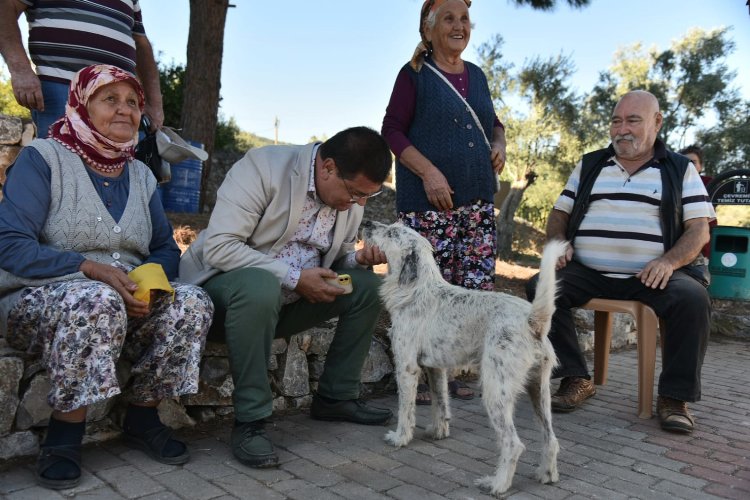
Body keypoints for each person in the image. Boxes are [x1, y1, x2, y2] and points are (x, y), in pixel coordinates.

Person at [0, 64, 213, 490]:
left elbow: (165, 248)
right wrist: (89, 268)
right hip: (41, 298)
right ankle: (65, 432)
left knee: (192, 301)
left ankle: (143, 414)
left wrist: (148, 284)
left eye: (133, 102)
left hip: (123, 297)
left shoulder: (141, 174)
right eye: (110, 99)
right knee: (94, 298)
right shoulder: (44, 158)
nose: (125, 110)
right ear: (81, 104)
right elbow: (9, 243)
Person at [179, 126, 394, 469]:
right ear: (328, 168)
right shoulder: (263, 167)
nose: (359, 204)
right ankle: (251, 422)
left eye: (368, 197)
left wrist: (358, 260)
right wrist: (294, 278)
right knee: (260, 285)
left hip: (285, 306)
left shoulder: (349, 200)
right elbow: (221, 247)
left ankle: (336, 397)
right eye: (355, 193)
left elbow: (336, 261)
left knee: (367, 286)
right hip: (224, 299)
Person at [526, 90, 715, 434]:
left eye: (633, 120)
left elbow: (698, 230)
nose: (621, 129)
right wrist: (559, 241)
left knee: (692, 299)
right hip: (590, 271)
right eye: (616, 120)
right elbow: (559, 213)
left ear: (657, 123)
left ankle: (674, 398)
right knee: (541, 286)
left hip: (652, 273)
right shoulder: (591, 164)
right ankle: (576, 377)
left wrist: (669, 262)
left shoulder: (679, 169)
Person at [381, 0, 506, 404]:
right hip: (427, 205)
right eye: (449, 19)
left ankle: (447, 376)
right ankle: (412, 376)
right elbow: (392, 131)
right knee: (423, 292)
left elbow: (495, 123)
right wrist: (429, 172)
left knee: (466, 291)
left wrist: (500, 144)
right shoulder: (414, 75)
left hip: (476, 204)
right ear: (429, 29)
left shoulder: (478, 76)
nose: (459, 26)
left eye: (464, 19)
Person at [0, 0, 164, 137]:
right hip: (63, 88)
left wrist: (154, 103)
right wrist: (20, 70)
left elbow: (141, 44)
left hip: (119, 97)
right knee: (62, 165)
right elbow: (6, 8)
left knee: (115, 168)